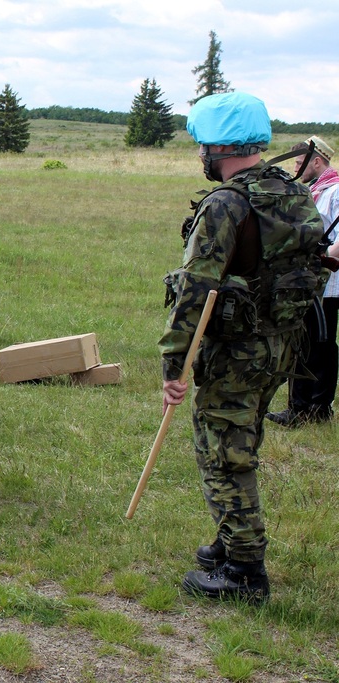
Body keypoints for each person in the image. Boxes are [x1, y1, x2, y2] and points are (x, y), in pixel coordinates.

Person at [160, 92, 327, 604]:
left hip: (236, 350)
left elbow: (196, 285)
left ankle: (245, 572)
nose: (201, 158)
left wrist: (174, 358)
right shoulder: (292, 192)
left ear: (219, 148)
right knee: (243, 436)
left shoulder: (226, 204)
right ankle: (229, 540)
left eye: (202, 147)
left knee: (222, 453)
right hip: (282, 344)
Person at [266, 136, 339, 427]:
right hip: (315, 277)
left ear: (316, 161)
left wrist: (323, 260)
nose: (296, 167)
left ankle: (311, 408)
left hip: (327, 280)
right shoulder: (319, 189)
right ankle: (308, 407)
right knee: (312, 341)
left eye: (299, 161)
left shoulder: (334, 190)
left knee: (315, 342)